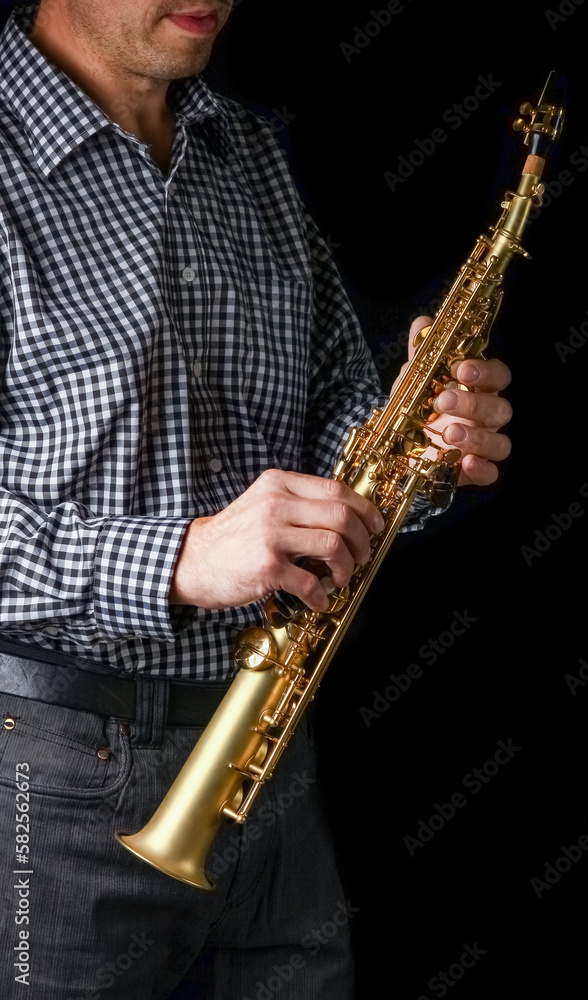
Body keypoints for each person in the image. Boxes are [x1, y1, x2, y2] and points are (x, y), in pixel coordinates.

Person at [0, 1, 512, 997]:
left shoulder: (245, 153)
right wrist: (183, 557)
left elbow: (332, 420)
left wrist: (422, 443)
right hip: (45, 777)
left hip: (269, 765)